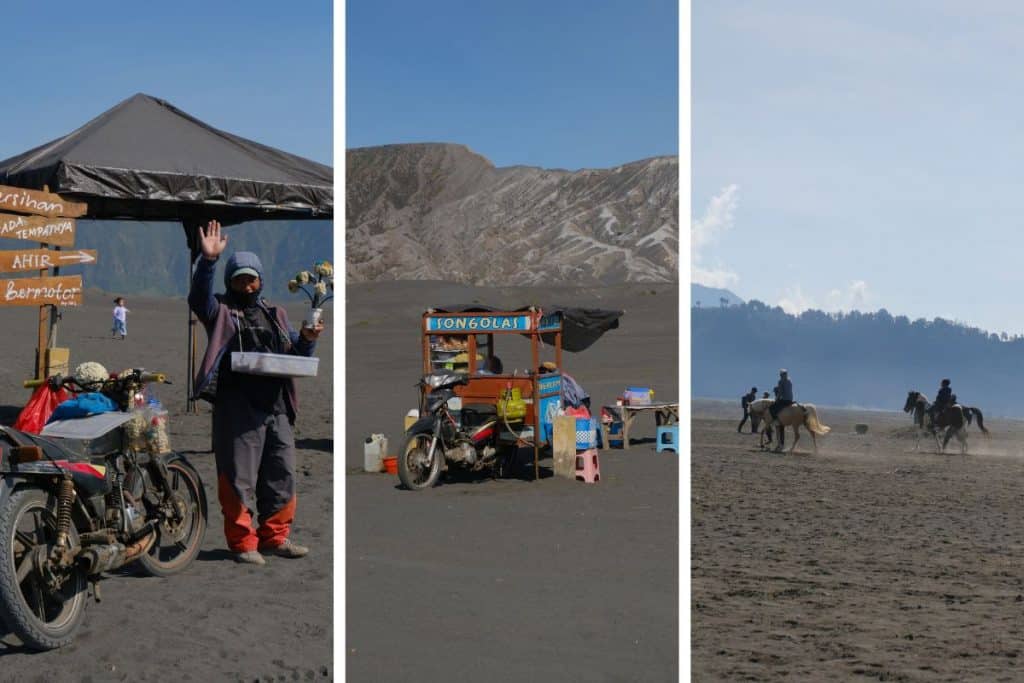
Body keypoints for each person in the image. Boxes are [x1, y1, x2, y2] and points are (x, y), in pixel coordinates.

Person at [188, 220, 325, 566]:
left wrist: (308, 340)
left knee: (282, 473)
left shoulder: (276, 313)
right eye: (239, 279)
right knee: (238, 477)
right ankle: (242, 543)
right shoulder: (219, 311)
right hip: (238, 408)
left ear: (261, 280)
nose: (246, 285)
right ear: (229, 282)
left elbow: (296, 356)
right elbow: (197, 299)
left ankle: (275, 538)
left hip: (277, 406)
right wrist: (208, 261)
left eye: (251, 278)